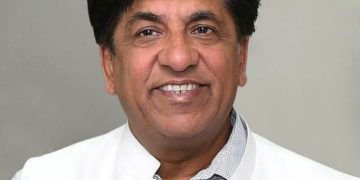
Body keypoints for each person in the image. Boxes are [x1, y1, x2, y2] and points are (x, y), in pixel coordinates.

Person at [12, 0, 359, 179]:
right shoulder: (44, 177)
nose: (179, 58)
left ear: (241, 56)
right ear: (110, 65)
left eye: (203, 29)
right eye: (147, 32)